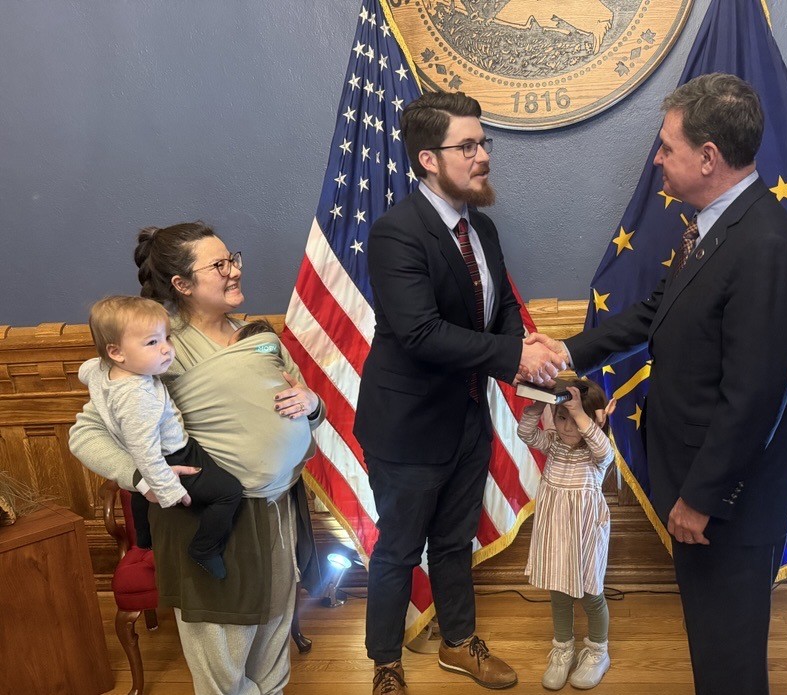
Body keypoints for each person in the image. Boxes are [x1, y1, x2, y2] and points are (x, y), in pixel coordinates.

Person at [527, 74, 787, 694]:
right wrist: (569, 348)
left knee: (729, 660)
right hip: (701, 485)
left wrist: (702, 497)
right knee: (712, 644)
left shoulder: (766, 247)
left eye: (666, 147)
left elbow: (754, 399)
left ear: (708, 157)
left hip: (728, 503)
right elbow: (658, 309)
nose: (657, 159)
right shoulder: (713, 227)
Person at [353, 91, 564, 695]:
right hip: (408, 425)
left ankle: (456, 643)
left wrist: (529, 358)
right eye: (466, 146)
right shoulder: (396, 233)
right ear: (428, 159)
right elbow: (420, 333)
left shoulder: (484, 229)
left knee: (453, 541)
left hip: (469, 418)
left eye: (483, 144)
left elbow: (491, 319)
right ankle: (385, 662)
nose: (482, 157)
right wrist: (512, 354)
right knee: (398, 549)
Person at [70, 221, 326, 695]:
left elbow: (306, 403)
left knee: (274, 631)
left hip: (280, 509)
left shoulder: (259, 333)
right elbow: (84, 433)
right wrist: (141, 478)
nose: (234, 271)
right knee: (222, 653)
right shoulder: (156, 347)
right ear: (182, 285)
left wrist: (312, 406)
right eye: (219, 265)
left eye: (234, 259)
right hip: (215, 519)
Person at [80, 295, 243, 579]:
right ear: (117, 352)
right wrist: (170, 489)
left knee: (140, 500)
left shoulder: (102, 370)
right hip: (174, 456)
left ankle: (145, 541)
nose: (167, 350)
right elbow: (145, 452)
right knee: (229, 491)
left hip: (159, 458)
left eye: (167, 338)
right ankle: (204, 548)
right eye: (152, 343)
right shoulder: (137, 396)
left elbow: (88, 370)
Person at [517, 377, 615, 690]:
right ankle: (562, 649)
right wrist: (540, 404)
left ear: (593, 420)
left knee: (590, 594)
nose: (566, 427)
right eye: (561, 418)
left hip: (585, 536)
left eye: (574, 420)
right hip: (554, 533)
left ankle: (598, 651)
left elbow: (601, 445)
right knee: (558, 593)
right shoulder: (553, 444)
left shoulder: (597, 454)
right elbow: (525, 432)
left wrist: (581, 414)